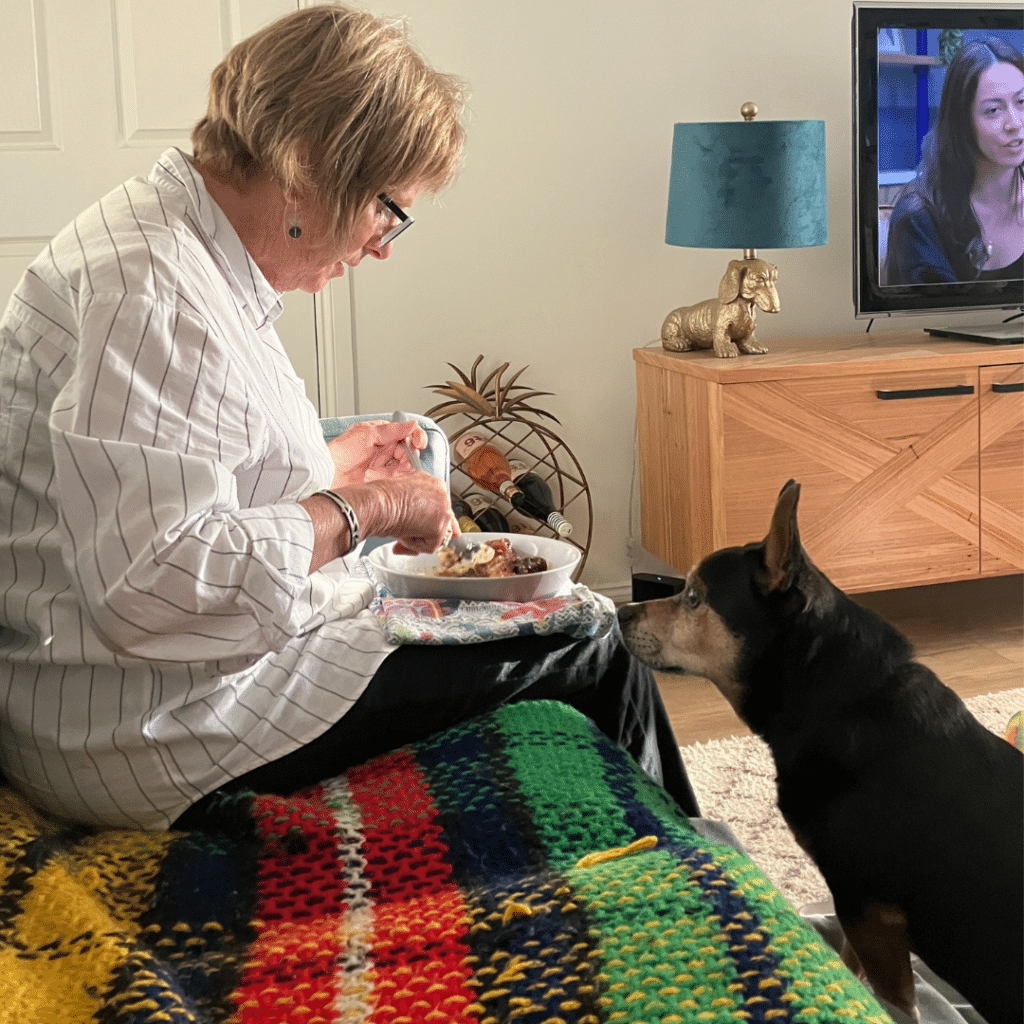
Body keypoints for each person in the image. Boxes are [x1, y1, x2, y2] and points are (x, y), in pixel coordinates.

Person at [0, 4, 697, 830]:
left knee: (546, 624)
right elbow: (149, 589)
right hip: (156, 729)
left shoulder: (182, 244)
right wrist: (365, 509)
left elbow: (172, 472)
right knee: (586, 642)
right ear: (306, 163)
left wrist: (327, 465)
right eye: (387, 209)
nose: (385, 243)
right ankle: (720, 912)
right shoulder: (150, 291)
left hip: (177, 685)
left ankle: (676, 858)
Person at [884, 37, 1024, 286]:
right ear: (962, 122)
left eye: (1022, 102)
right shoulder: (918, 218)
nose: (1014, 123)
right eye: (993, 110)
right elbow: (935, 318)